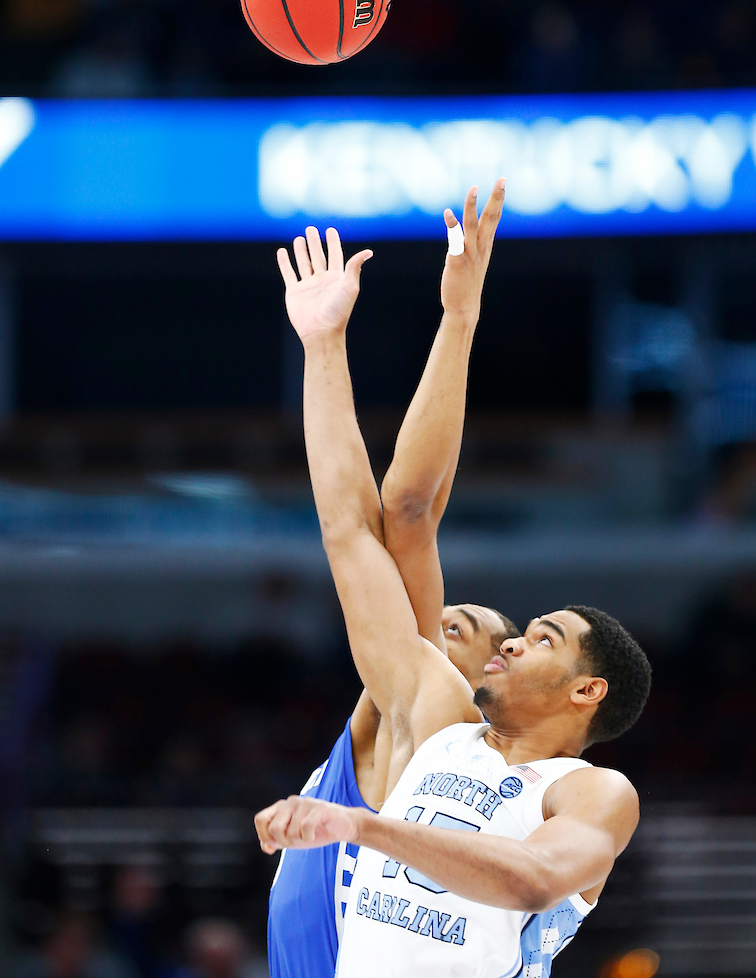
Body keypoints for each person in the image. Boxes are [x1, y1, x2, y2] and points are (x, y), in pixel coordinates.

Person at [256, 213, 652, 978]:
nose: (509, 642)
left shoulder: (591, 791)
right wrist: (324, 347)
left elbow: (534, 879)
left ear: (587, 691)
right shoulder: (439, 719)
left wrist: (361, 830)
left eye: (542, 640)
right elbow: (355, 531)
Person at [267, 185, 519, 978]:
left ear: (489, 675)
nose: (439, 616)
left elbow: (362, 526)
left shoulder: (434, 727)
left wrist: (325, 348)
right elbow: (406, 513)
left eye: (461, 628)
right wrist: (457, 321)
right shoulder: (394, 719)